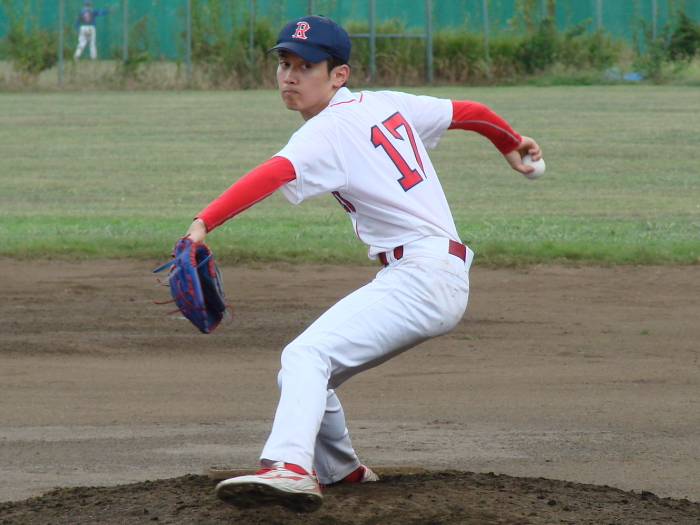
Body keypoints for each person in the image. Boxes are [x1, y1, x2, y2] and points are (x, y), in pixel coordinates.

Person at [180, 15, 542, 514]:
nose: (290, 76)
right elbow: (471, 112)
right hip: (430, 271)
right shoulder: (385, 103)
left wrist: (203, 223)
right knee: (305, 372)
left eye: (306, 66)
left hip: (422, 275)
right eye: (284, 64)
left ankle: (291, 468)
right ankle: (339, 468)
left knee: (306, 356)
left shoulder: (326, 130)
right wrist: (511, 143)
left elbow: (272, 173)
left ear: (338, 75)